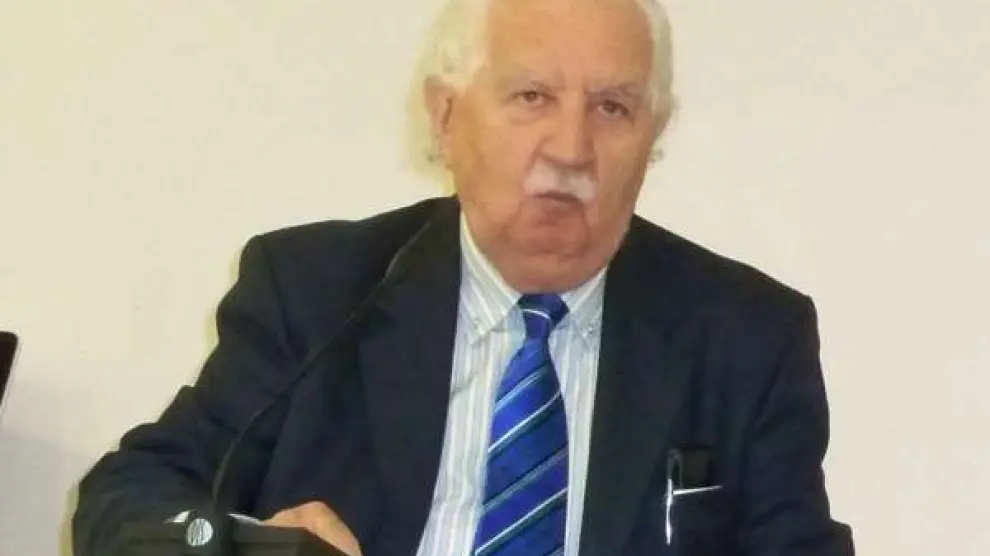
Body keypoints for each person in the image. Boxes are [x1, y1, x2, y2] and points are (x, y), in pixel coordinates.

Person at [72, 0, 854, 554]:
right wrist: (243, 549)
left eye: (613, 108)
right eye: (532, 97)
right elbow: (128, 495)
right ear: (446, 117)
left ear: (655, 133)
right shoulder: (315, 292)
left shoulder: (745, 336)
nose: (571, 148)